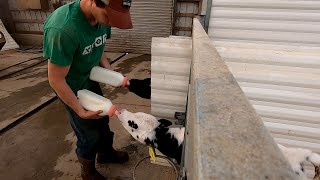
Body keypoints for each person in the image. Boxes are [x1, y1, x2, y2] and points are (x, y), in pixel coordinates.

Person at [43, 0, 132, 179]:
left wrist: (110, 72)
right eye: (109, 16)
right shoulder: (63, 29)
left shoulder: (102, 18)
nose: (111, 22)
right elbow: (56, 79)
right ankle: (88, 172)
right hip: (71, 87)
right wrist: (79, 110)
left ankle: (106, 154)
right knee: (88, 133)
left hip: (90, 78)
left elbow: (99, 47)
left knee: (102, 121)